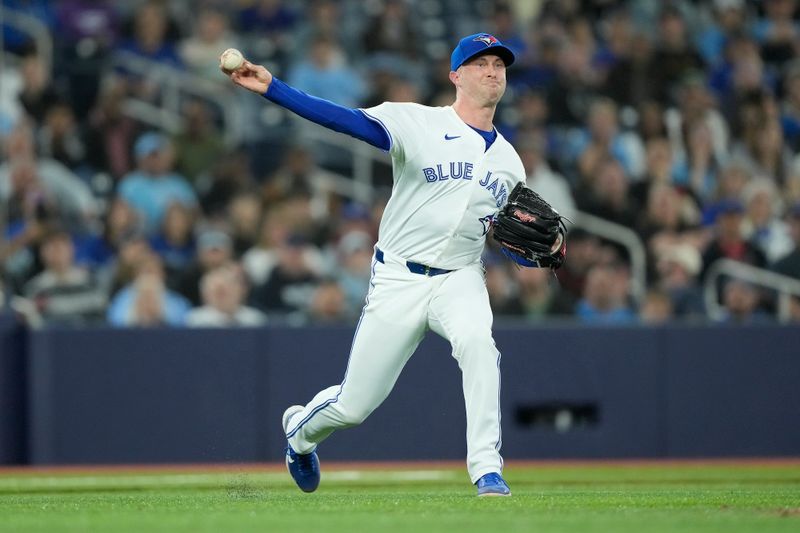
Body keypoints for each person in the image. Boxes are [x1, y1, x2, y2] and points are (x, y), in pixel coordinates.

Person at [222, 32, 529, 496]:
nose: (492, 71)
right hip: (399, 278)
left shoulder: (510, 164)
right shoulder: (416, 122)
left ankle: (487, 470)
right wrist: (274, 88)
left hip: (461, 277)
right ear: (455, 76)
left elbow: (506, 231)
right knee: (354, 405)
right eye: (480, 63)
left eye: (499, 65)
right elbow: (345, 121)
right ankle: (300, 436)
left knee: (478, 345)